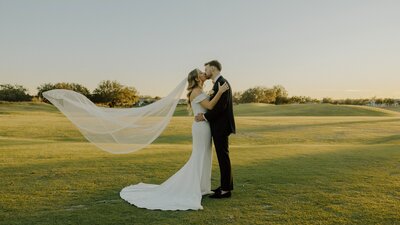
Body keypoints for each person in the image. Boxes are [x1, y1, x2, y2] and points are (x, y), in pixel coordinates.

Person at [119, 68, 229, 210]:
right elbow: (209, 105)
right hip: (201, 128)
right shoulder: (196, 91)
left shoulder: (199, 91)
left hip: (205, 126)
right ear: (196, 78)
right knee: (199, 155)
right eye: (201, 73)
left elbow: (207, 107)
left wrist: (214, 93)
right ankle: (192, 187)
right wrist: (220, 92)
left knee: (206, 156)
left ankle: (202, 187)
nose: (203, 74)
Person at [195, 60, 236, 198]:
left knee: (223, 156)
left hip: (221, 127)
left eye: (206, 69)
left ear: (213, 68)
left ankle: (225, 190)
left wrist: (205, 117)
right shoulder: (219, 83)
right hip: (218, 126)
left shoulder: (222, 83)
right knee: (222, 156)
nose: (205, 72)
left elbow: (220, 107)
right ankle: (225, 186)